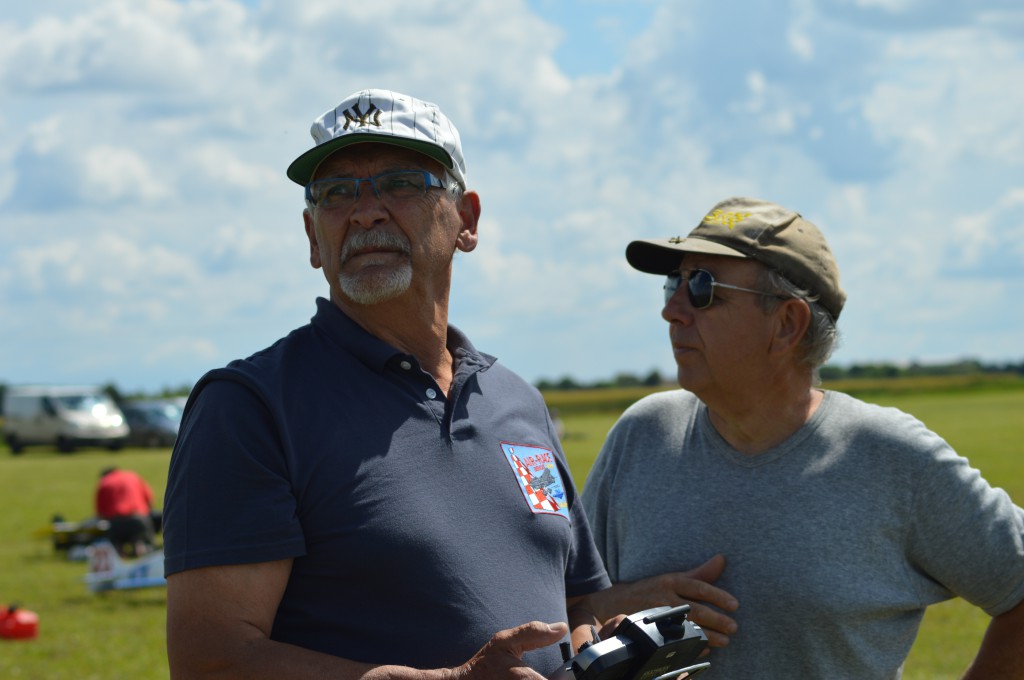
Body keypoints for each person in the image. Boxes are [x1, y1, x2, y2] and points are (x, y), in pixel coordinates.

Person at [162, 89, 735, 680]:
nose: (365, 212)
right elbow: (213, 661)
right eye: (336, 194)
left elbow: (571, 606)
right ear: (313, 236)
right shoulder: (249, 407)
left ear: (467, 220)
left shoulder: (515, 401)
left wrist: (614, 631)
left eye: (402, 183)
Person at [582, 196, 1024, 679]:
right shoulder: (641, 436)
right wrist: (615, 603)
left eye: (703, 288)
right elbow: (555, 601)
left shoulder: (892, 457)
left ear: (787, 324)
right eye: (676, 282)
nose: (672, 310)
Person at [95, 466, 155, 556]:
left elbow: (101, 512)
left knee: (117, 548)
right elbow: (149, 499)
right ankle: (139, 546)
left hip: (117, 522)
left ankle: (120, 550)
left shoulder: (105, 482)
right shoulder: (132, 476)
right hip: (139, 519)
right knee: (143, 542)